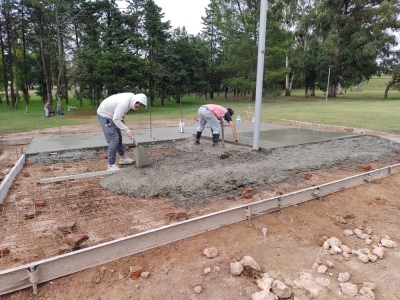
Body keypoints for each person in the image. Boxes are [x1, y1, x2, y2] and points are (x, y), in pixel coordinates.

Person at [97, 92, 147, 171]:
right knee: (114, 139)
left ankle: (123, 158)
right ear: (136, 101)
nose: (139, 107)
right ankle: (111, 165)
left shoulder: (130, 100)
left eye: (141, 106)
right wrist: (128, 131)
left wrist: (124, 126)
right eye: (139, 104)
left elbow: (120, 114)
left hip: (112, 115)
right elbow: (116, 119)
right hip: (105, 114)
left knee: (119, 137)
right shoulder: (125, 102)